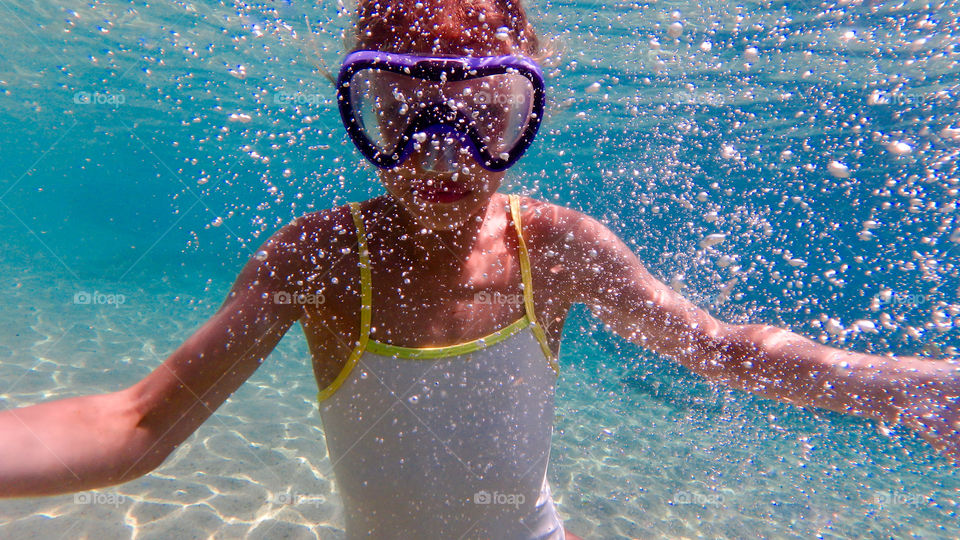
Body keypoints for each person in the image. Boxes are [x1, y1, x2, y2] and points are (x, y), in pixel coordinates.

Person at [1, 0, 958, 538]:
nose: (440, 156)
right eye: (401, 113)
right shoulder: (323, 258)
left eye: (482, 115)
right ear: (362, 118)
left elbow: (720, 349)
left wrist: (913, 390)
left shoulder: (558, 248)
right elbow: (136, 425)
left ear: (527, 114)